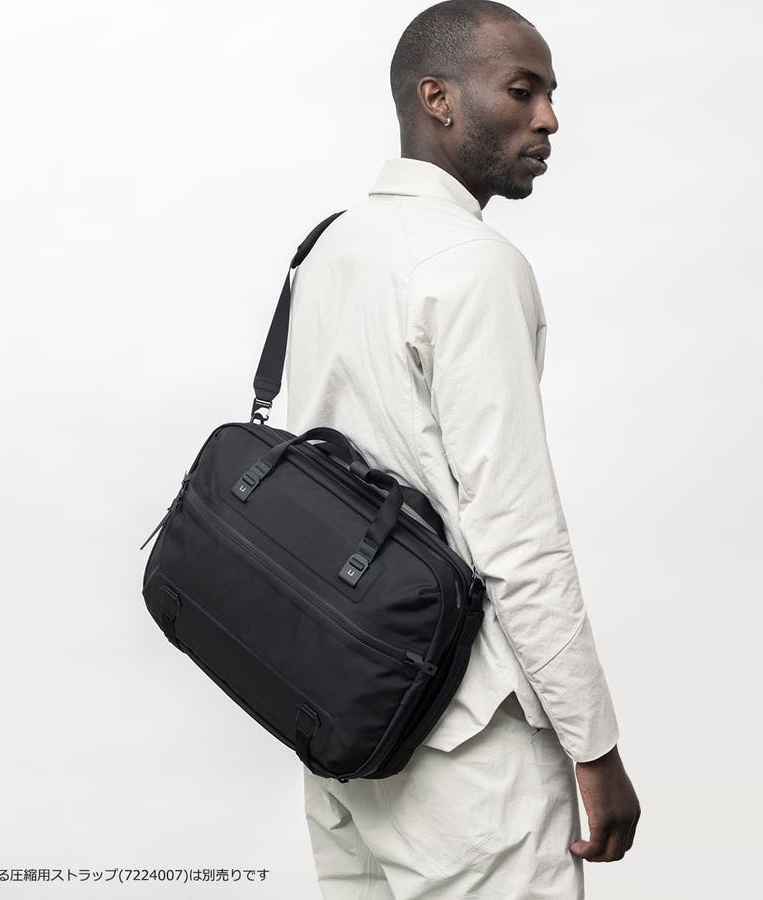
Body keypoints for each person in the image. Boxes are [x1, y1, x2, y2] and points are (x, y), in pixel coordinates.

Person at [284, 2, 641, 897]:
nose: (549, 118)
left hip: (344, 714)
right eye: (523, 91)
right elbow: (516, 531)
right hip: (469, 740)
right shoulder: (471, 263)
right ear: (436, 97)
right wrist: (593, 746)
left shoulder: (326, 248)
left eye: (551, 95)